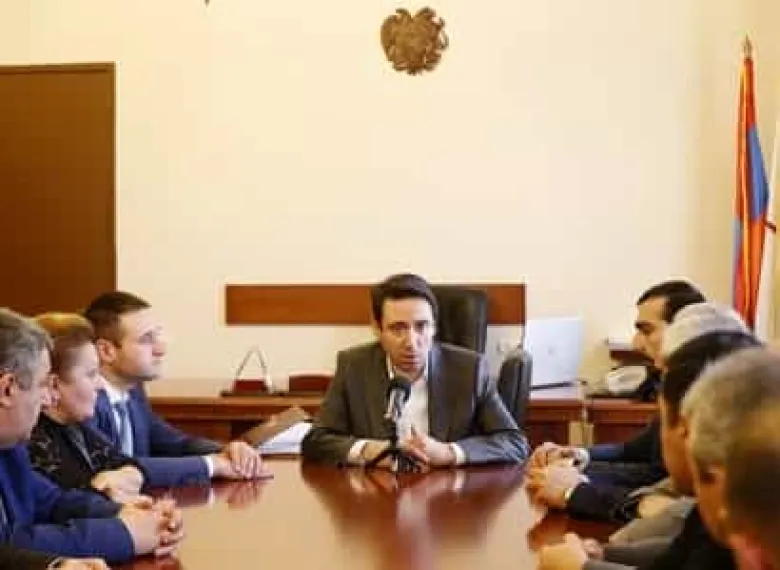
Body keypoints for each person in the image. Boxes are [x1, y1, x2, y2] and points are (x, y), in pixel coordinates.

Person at [537, 318, 759, 570]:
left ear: (685, 429)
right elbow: (678, 556)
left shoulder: (744, 516)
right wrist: (603, 555)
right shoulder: (727, 497)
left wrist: (582, 568)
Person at [0, 307, 184, 563]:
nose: (47, 399)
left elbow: (51, 502)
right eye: (42, 384)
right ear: (7, 389)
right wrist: (124, 535)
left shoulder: (9, 445)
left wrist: (124, 513)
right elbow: (7, 543)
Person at [301, 273, 529, 468]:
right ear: (377, 329)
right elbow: (316, 440)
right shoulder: (353, 367)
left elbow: (514, 442)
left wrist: (449, 453)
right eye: (397, 328)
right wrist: (370, 451)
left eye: (421, 326)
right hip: (378, 495)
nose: (411, 342)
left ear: (434, 327)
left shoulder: (470, 370)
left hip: (448, 496)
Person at [527, 280, 705, 522]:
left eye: (646, 330)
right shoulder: (673, 382)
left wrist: (575, 486)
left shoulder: (703, 395)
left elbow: (658, 477)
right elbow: (633, 451)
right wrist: (576, 456)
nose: (636, 343)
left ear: (684, 331)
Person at [84, 291, 269, 486]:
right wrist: (211, 465)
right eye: (146, 339)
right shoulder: (86, 400)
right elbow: (118, 467)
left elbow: (173, 442)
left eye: (157, 336)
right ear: (106, 351)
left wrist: (227, 451)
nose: (161, 349)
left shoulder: (133, 389)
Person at [28, 313, 146, 503]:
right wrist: (103, 491)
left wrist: (115, 479)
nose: (100, 385)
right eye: (91, 374)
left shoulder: (75, 425)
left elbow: (130, 465)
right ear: (53, 386)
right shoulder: (31, 443)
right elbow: (61, 505)